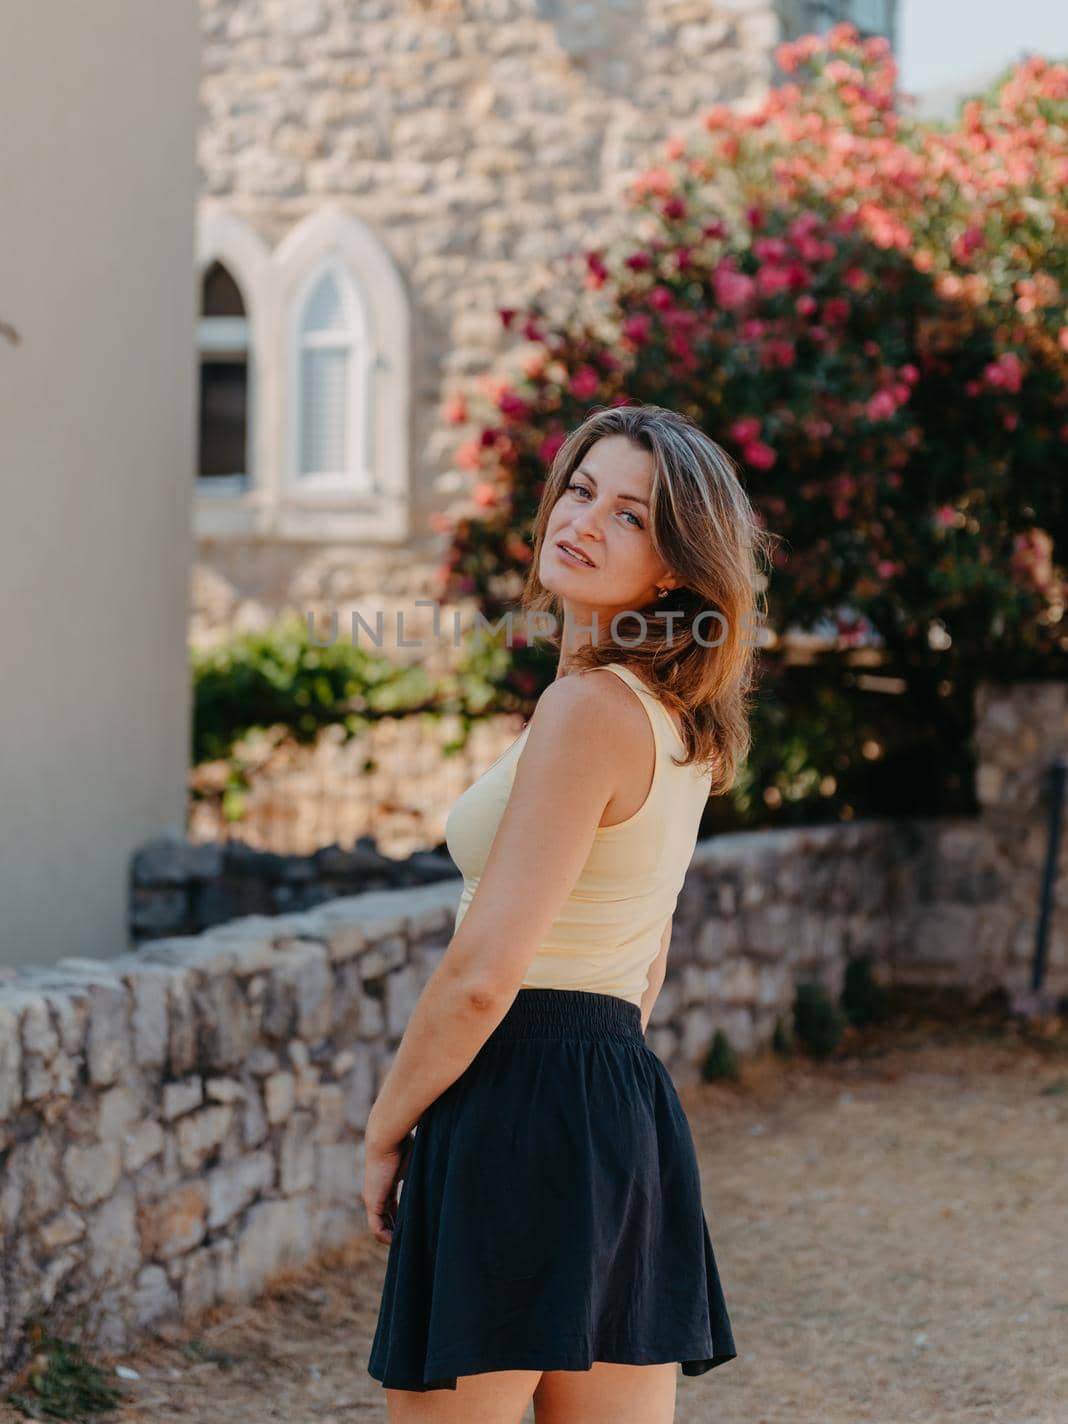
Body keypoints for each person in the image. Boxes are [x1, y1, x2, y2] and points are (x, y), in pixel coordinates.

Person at [362, 402, 773, 1423]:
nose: (584, 520)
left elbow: (482, 974)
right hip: (617, 1099)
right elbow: (647, 960)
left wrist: (385, 1129)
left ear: (677, 564)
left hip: (514, 1093)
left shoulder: (588, 711)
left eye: (631, 515)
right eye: (583, 488)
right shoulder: (677, 725)